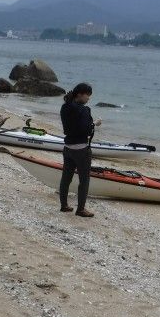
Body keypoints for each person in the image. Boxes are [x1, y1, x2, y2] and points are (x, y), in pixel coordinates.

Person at [59, 83, 102, 217]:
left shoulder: (64, 107)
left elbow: (71, 127)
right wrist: (95, 123)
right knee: (84, 180)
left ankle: (64, 205)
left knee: (66, 178)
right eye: (88, 95)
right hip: (81, 149)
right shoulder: (84, 110)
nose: (88, 98)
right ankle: (81, 209)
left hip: (68, 147)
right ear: (80, 94)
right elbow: (86, 130)